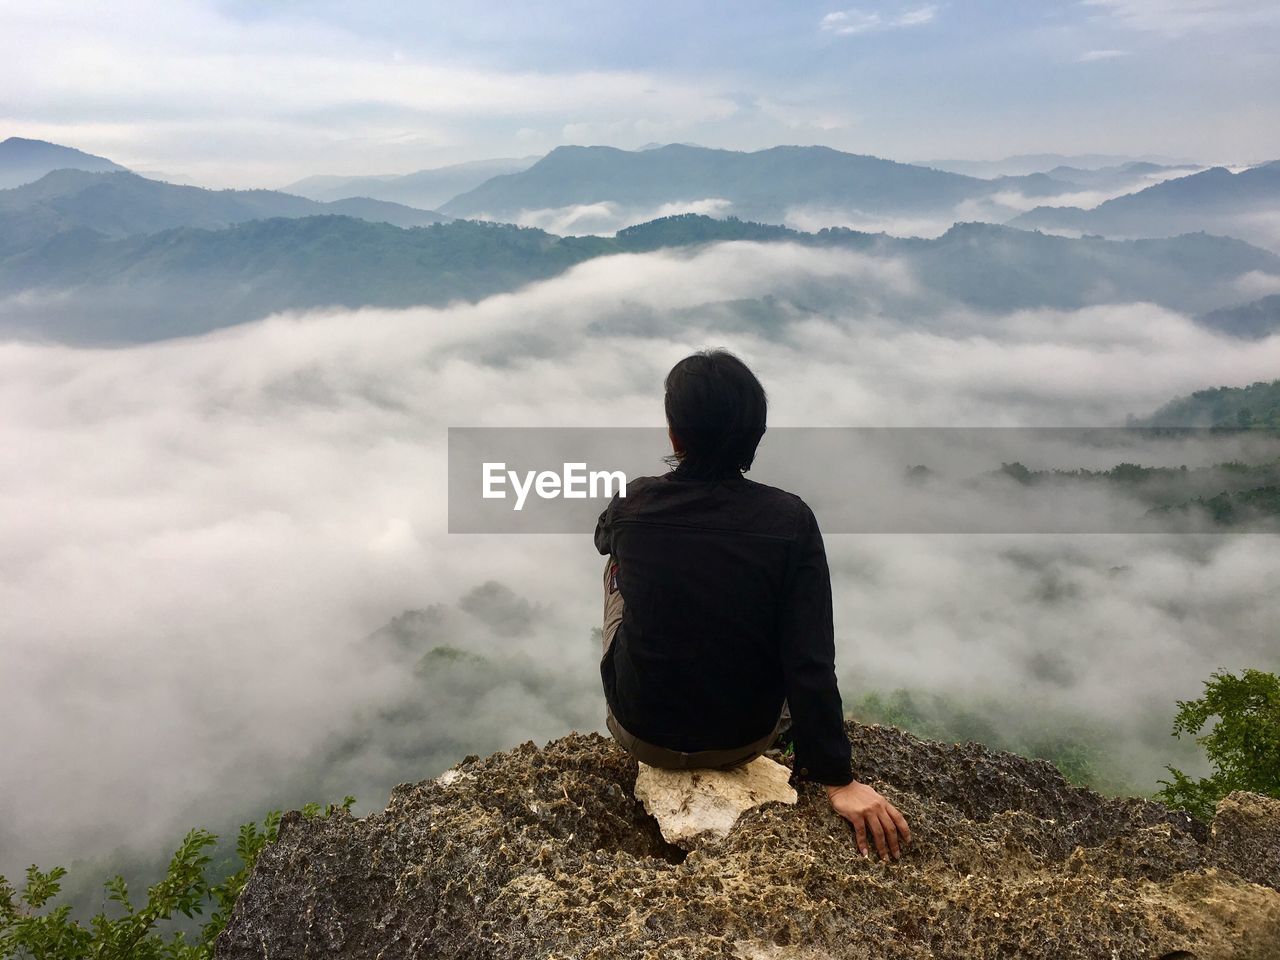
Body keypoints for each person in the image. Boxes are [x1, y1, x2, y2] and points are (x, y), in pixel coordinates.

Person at [594, 349, 911, 862]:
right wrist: (838, 778)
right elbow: (810, 659)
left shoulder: (631, 503)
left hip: (642, 730)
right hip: (743, 736)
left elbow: (602, 539)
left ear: (674, 435)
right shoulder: (790, 521)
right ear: (755, 438)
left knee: (615, 568)